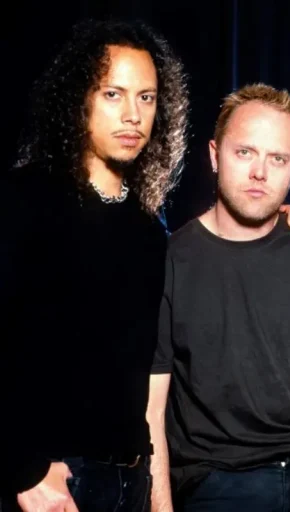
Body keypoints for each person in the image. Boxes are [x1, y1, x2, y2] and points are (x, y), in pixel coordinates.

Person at [146, 83, 290, 512]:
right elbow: (151, 410)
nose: (259, 173)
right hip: (215, 486)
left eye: (278, 158)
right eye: (244, 152)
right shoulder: (170, 261)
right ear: (215, 155)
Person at [0, 18, 189, 512]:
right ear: (79, 99)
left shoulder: (149, 230)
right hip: (54, 480)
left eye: (146, 98)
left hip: (130, 480)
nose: (133, 115)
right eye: (113, 94)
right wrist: (23, 470)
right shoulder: (26, 200)